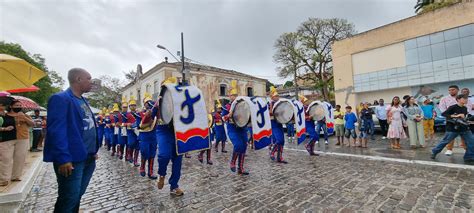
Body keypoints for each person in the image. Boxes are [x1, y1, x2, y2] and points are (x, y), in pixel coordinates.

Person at [44, 68, 100, 212]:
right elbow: (57, 131)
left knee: (76, 197)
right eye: (89, 78)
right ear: (78, 79)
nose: (91, 82)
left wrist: (93, 150)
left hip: (88, 157)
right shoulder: (61, 99)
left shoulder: (83, 100)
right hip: (72, 159)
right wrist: (63, 159)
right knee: (68, 198)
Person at [156, 77, 184, 196]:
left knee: (177, 161)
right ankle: (162, 174)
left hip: (177, 131)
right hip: (163, 131)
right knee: (164, 155)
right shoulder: (157, 102)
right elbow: (149, 118)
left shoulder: (180, 102)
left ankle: (174, 185)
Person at [431, 94, 474, 164]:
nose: (466, 100)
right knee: (445, 141)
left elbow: (464, 118)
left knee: (472, 142)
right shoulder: (452, 107)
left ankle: (469, 157)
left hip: (464, 128)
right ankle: (434, 152)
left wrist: (466, 118)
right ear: (458, 99)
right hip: (452, 129)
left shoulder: (465, 108)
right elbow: (444, 114)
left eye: (466, 99)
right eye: (464, 98)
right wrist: (456, 115)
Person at [223, 80, 250, 175]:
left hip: (242, 129)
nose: (234, 97)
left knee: (243, 147)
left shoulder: (242, 105)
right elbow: (223, 118)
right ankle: (232, 162)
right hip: (232, 129)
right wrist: (228, 116)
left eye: (235, 95)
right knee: (238, 145)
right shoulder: (226, 107)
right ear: (229, 96)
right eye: (232, 95)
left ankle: (241, 168)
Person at [138, 93, 158, 179]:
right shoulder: (140, 113)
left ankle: (150, 171)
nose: (149, 104)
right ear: (144, 104)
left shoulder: (155, 112)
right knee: (145, 152)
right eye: (147, 102)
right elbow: (139, 126)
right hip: (144, 136)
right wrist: (147, 120)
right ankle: (142, 167)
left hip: (153, 135)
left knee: (152, 153)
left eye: (150, 102)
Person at [438, 85, 461, 156]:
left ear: (457, 90)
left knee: (465, 134)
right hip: (450, 119)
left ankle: (468, 149)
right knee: (450, 134)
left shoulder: (462, 98)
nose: (451, 91)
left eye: (453, 90)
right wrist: (450, 115)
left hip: (462, 118)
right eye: (450, 90)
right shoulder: (444, 99)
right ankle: (449, 149)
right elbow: (442, 109)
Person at [0, 102, 18, 186]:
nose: (2, 106)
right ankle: (3, 179)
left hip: (11, 139)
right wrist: (4, 129)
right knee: (5, 160)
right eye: (1, 104)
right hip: (2, 140)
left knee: (7, 160)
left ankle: (6, 178)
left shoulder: (7, 115)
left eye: (3, 104)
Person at [268, 86, 287, 163]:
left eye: (277, 96)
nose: (277, 97)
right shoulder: (269, 104)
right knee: (279, 140)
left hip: (279, 123)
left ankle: (279, 157)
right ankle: (272, 152)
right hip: (273, 123)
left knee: (282, 141)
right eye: (275, 96)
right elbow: (269, 113)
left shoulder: (280, 104)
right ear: (272, 97)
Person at [126, 97, 141, 167]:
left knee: (137, 146)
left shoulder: (139, 113)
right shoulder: (126, 114)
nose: (133, 106)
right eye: (132, 105)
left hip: (138, 131)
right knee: (131, 143)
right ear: (129, 106)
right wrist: (127, 124)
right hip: (130, 131)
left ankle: (135, 161)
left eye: (134, 105)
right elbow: (121, 123)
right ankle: (130, 155)